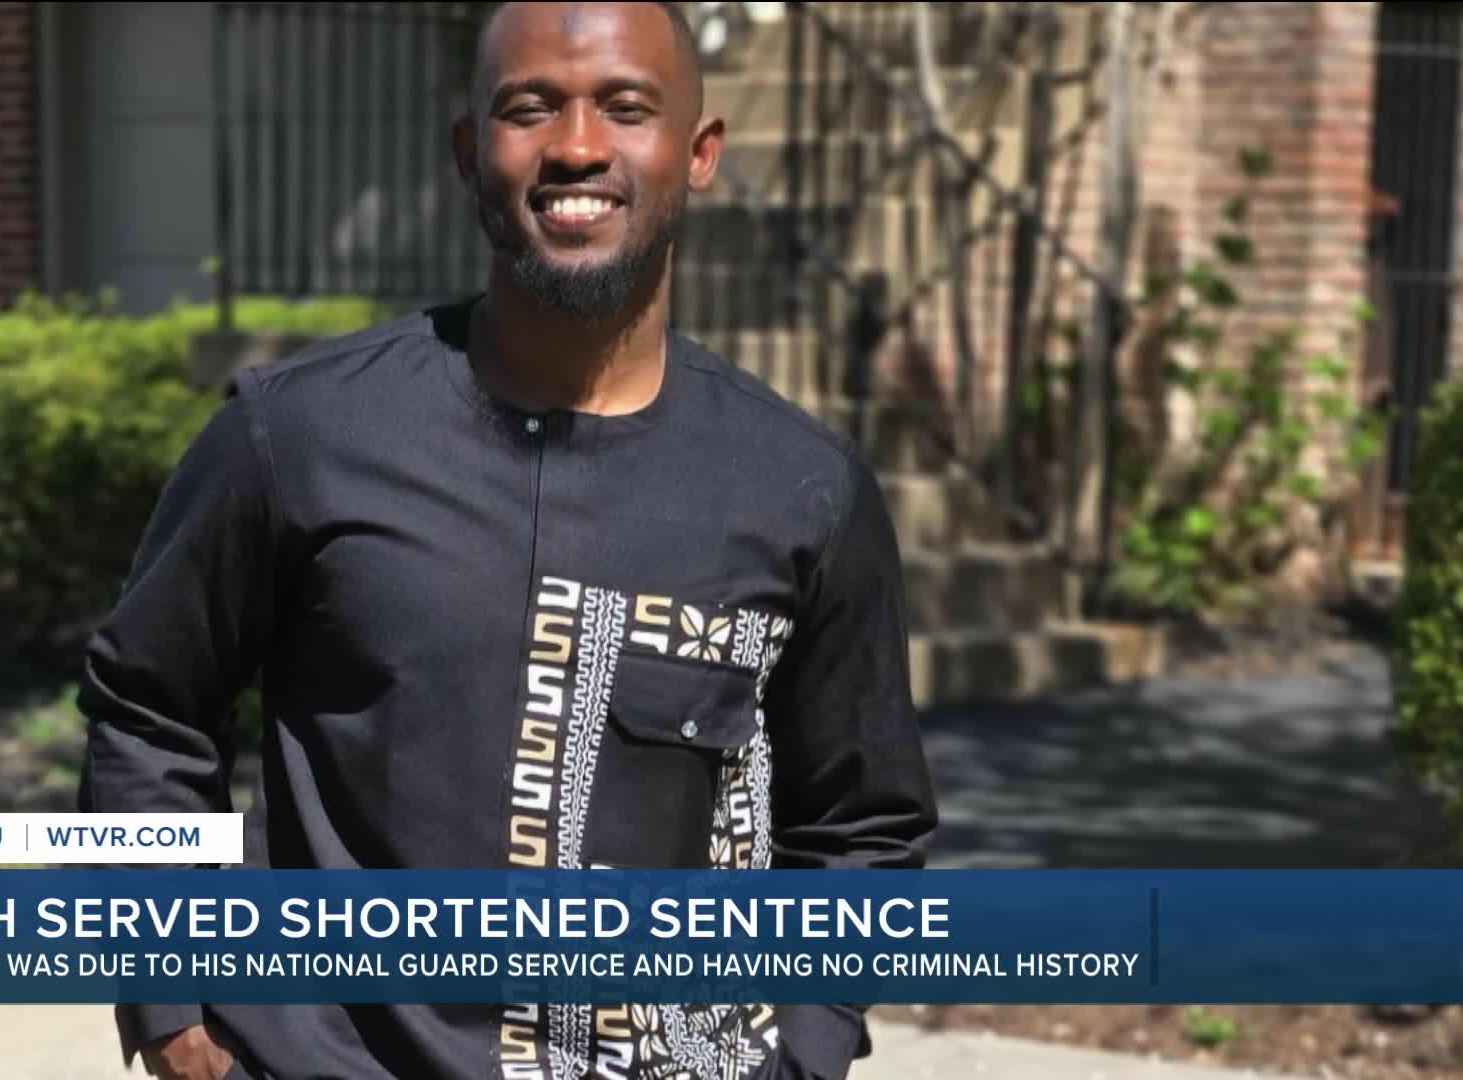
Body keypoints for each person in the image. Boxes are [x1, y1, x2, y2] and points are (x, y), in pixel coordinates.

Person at [75, 2, 939, 1077]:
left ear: (700, 151)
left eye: (626, 107)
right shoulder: (299, 436)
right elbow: (148, 711)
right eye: (529, 108)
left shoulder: (803, 491)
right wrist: (171, 1007)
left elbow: (860, 827)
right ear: (467, 152)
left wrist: (804, 1047)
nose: (576, 145)